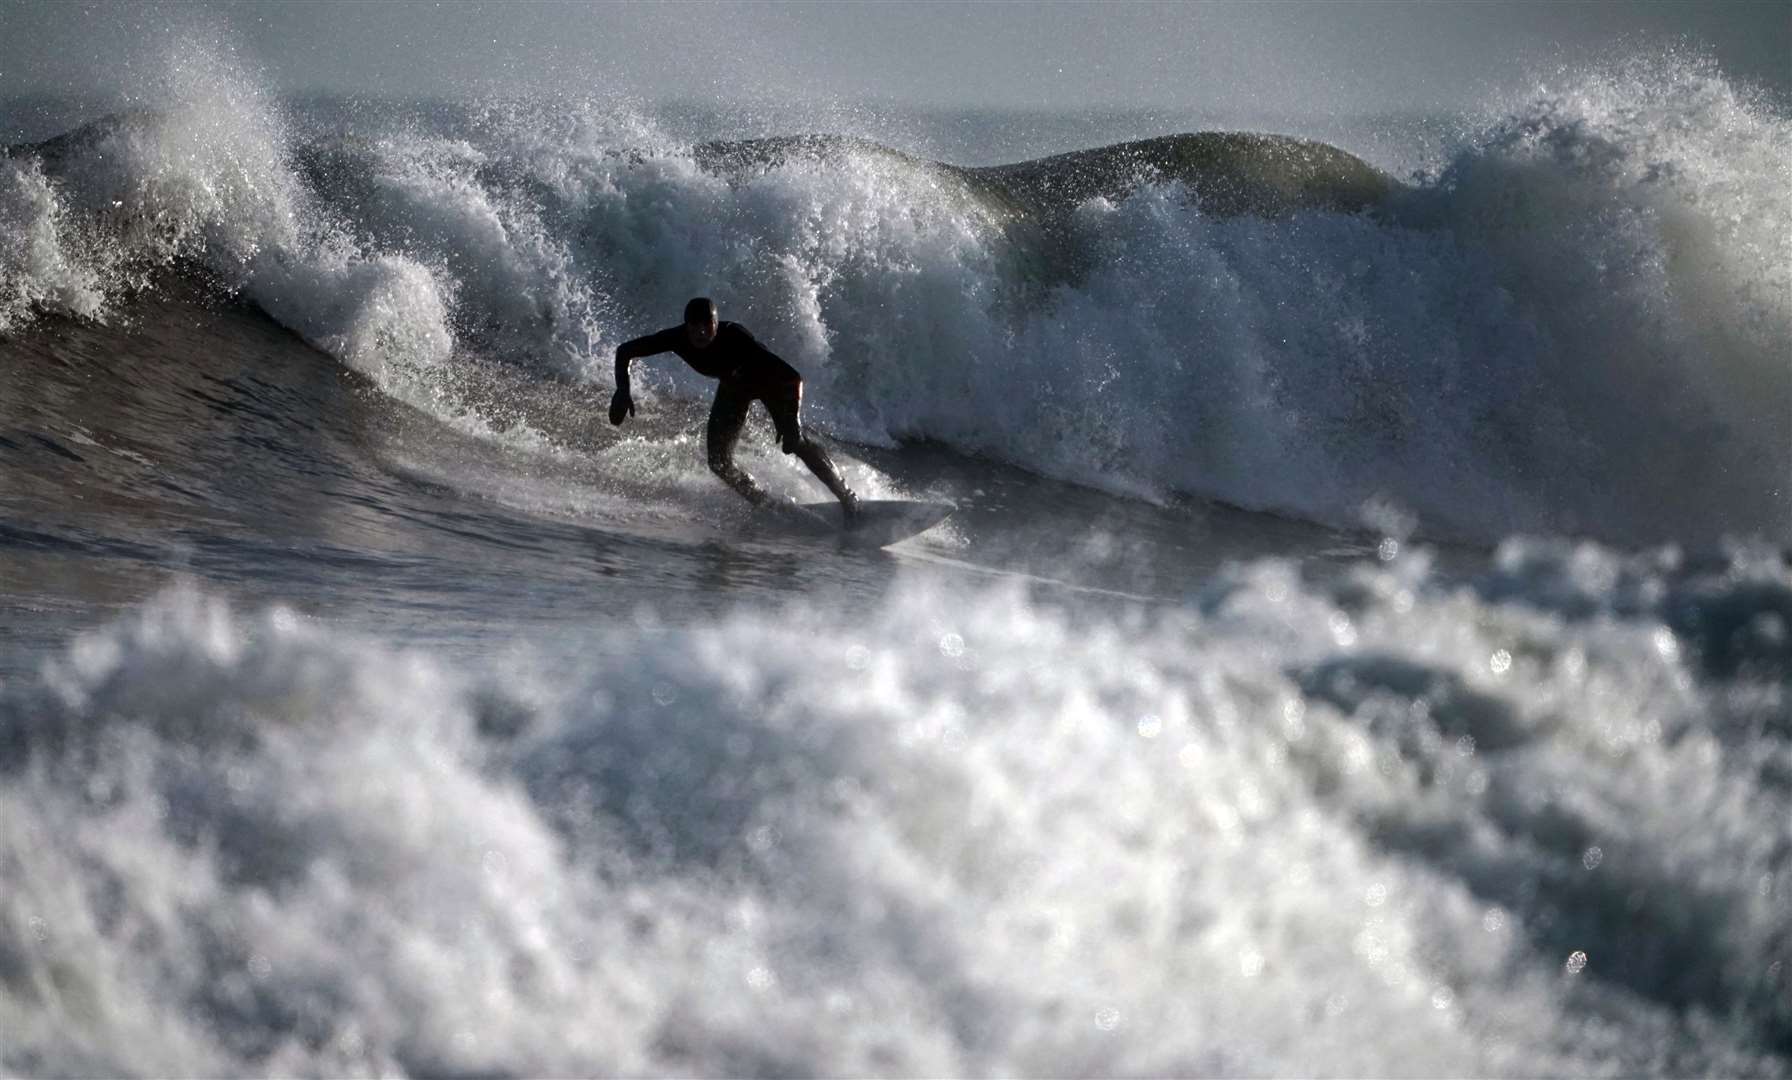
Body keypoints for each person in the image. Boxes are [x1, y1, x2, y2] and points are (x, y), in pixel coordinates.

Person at [610, 297, 861, 523]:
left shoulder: (736, 338)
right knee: (719, 463)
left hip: (768, 384)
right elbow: (625, 351)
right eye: (694, 326)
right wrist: (622, 389)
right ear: (686, 326)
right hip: (734, 389)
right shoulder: (677, 339)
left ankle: (847, 497)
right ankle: (764, 503)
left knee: (794, 442)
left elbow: (792, 378)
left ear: (716, 324)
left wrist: (792, 422)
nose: (700, 332)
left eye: (707, 325)